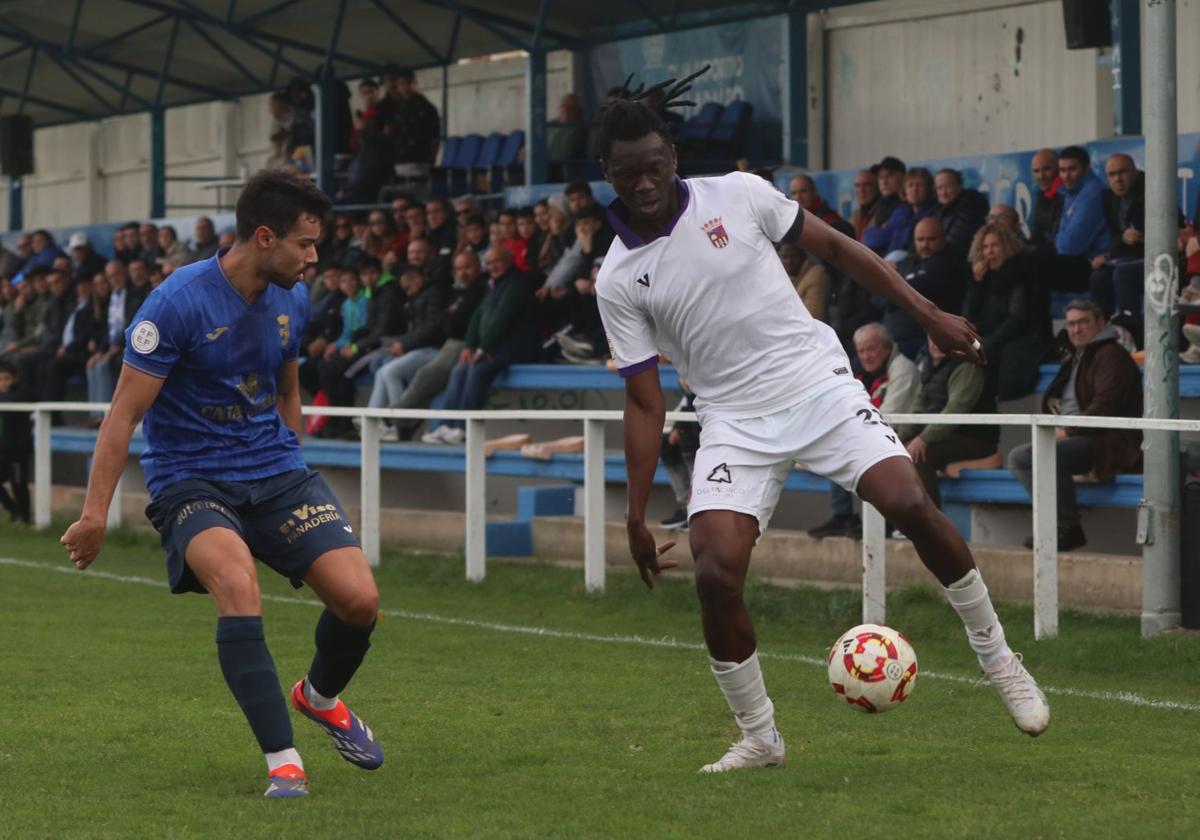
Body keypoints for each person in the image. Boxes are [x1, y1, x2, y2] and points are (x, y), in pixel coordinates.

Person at [593, 77, 1049, 774]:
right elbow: (646, 402)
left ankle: (1000, 660)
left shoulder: (738, 195)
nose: (647, 182)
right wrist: (632, 512)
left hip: (816, 384)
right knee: (715, 573)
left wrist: (927, 314)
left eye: (656, 166)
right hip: (733, 420)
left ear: (673, 155)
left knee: (907, 501)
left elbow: (840, 251)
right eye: (630, 174)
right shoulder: (618, 278)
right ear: (610, 176)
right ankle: (760, 737)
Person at [60, 169, 385, 799]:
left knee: (360, 603)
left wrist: (290, 458)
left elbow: (287, 389)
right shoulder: (175, 303)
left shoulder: (293, 295)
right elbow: (123, 415)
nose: (314, 258)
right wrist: (95, 513)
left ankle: (318, 698)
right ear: (265, 238)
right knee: (238, 586)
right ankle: (283, 760)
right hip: (192, 479)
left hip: (276, 472)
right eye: (305, 244)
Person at [1006, 299, 1142, 552]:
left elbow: (1106, 405)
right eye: (1071, 324)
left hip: (1109, 441)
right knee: (1019, 457)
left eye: (1083, 322)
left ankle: (1067, 527)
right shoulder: (1076, 356)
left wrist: (1068, 431)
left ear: (1100, 323)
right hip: (1079, 437)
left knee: (1041, 455)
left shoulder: (1112, 355)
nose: (1076, 329)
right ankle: (1053, 526)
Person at [808, 322, 918, 540]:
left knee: (855, 452)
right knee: (836, 449)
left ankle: (884, 522)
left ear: (887, 347)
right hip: (882, 433)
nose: (866, 356)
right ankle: (843, 516)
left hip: (907, 435)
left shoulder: (903, 369)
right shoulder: (861, 371)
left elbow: (889, 413)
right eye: (861, 351)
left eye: (872, 349)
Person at [422, 246, 538, 444]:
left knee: (476, 369)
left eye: (497, 261)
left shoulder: (516, 286)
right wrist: (469, 345)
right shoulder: (493, 285)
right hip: (493, 349)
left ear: (508, 261)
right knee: (459, 370)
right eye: (489, 263)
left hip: (513, 350)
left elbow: (502, 321)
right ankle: (445, 425)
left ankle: (463, 428)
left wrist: (483, 349)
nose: (492, 266)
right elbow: (477, 317)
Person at [390, 250, 487, 440]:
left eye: (467, 267)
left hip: (463, 344)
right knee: (386, 367)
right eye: (459, 269)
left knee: (427, 374)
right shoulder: (460, 291)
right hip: (453, 342)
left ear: (478, 266)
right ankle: (398, 421)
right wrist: (449, 316)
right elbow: (448, 323)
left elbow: (453, 325)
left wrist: (450, 315)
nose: (463, 272)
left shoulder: (479, 288)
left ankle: (390, 419)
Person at [898, 336, 998, 513]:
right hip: (946, 437)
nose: (935, 344)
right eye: (931, 339)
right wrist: (896, 440)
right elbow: (917, 408)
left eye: (941, 339)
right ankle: (902, 521)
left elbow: (955, 411)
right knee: (895, 455)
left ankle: (931, 523)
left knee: (920, 455)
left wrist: (923, 438)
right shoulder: (930, 367)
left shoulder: (967, 367)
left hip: (975, 439)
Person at [965, 222, 1052, 400]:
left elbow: (1018, 319)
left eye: (995, 245)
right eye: (985, 247)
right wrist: (976, 282)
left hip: (1026, 338)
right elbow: (969, 318)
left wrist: (988, 342)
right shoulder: (983, 277)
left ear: (1007, 247)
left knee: (989, 353)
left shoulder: (1023, 272)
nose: (989, 252)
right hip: (996, 338)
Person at [885, 218, 970, 359]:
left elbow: (916, 286)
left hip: (922, 339)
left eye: (931, 239)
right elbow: (877, 295)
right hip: (892, 335)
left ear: (943, 239)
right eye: (920, 240)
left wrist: (893, 283)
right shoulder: (908, 261)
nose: (925, 245)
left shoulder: (948, 264)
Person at [1089, 154, 1145, 317]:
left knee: (1123, 273)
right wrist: (1120, 241)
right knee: (1098, 277)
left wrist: (1125, 242)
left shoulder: (1150, 191)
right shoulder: (1108, 198)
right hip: (1125, 258)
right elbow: (1114, 240)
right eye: (1112, 175)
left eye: (1123, 172)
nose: (1117, 179)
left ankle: (1130, 328)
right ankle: (1101, 329)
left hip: (1152, 258)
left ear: (1135, 172)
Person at [659, 384, 699, 530]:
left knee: (689, 445)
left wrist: (679, 429)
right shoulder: (688, 396)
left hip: (703, 441)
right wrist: (677, 428)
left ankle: (696, 510)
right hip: (690, 438)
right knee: (666, 446)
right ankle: (686, 508)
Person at [0, 358, 32, 523]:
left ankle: (25, 517)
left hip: (19, 449)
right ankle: (14, 511)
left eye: (6, 379)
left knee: (18, 484)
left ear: (14, 379)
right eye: (0, 379)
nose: (3, 383)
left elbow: (14, 399)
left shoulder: (21, 394)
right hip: (4, 449)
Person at [933, 168, 989, 261]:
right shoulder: (939, 210)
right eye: (940, 188)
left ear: (959, 186)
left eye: (948, 186)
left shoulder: (971, 205)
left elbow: (956, 244)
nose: (944, 192)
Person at [1029, 148, 1063, 254]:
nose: (1041, 176)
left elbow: (1057, 242)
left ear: (1059, 169)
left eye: (1047, 169)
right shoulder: (1042, 196)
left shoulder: (1066, 195)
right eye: (1036, 171)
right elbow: (1037, 235)